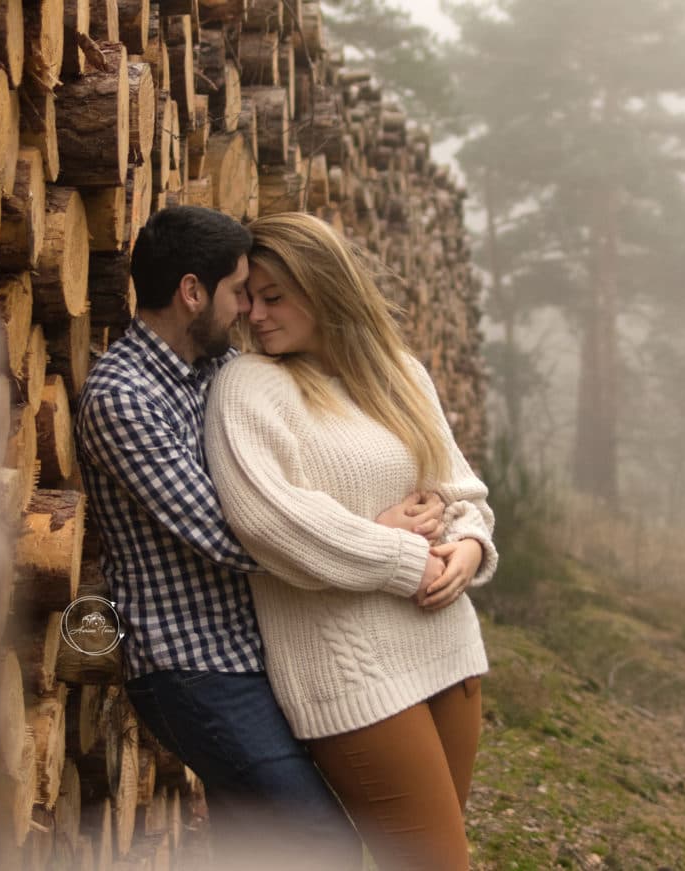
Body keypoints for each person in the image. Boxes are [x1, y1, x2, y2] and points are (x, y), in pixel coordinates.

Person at [76, 206, 445, 865]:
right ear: (192, 293)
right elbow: (229, 531)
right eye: (238, 291)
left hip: (258, 652)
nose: (249, 309)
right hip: (192, 665)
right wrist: (371, 531)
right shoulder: (123, 393)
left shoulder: (215, 372)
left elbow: (288, 487)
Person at [203, 211, 499, 871]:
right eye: (249, 296)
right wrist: (400, 554)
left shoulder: (401, 374)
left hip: (448, 646)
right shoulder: (250, 386)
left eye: (274, 296)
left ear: (328, 289)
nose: (255, 314)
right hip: (355, 673)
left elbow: (458, 489)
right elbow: (273, 522)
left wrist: (470, 548)